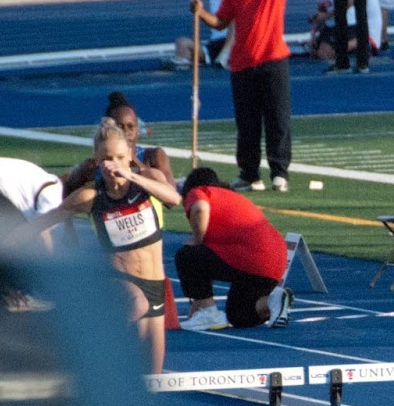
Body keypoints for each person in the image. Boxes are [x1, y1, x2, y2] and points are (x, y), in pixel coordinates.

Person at [27, 118, 181, 374]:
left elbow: (174, 198)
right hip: (121, 282)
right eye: (108, 158)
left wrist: (133, 176)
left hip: (155, 286)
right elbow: (45, 220)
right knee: (136, 304)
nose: (115, 164)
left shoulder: (149, 180)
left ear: (130, 155)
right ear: (97, 161)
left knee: (151, 376)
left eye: (120, 157)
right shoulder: (91, 196)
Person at [191, 0, 302, 193]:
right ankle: (250, 174)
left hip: (273, 59)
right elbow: (221, 21)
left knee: (277, 118)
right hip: (242, 63)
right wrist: (201, 13)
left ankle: (279, 172)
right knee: (247, 123)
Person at [174, 167, 293, 331]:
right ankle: (272, 300)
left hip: (253, 258)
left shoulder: (200, 191)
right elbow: (203, 274)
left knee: (186, 255)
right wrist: (197, 307)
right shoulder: (231, 198)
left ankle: (209, 314)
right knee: (239, 316)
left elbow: (200, 207)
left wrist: (197, 238)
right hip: (274, 262)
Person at [64, 91, 173, 191]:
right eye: (120, 127)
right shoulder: (93, 167)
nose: (126, 132)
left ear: (138, 129)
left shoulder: (153, 157)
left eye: (131, 126)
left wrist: (133, 159)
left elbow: (171, 197)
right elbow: (61, 195)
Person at [173, 0, 237, 67]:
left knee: (234, 21)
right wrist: (199, 11)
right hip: (214, 44)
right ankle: (184, 73)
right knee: (181, 43)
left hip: (235, 44)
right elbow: (216, 22)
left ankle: (224, 55)